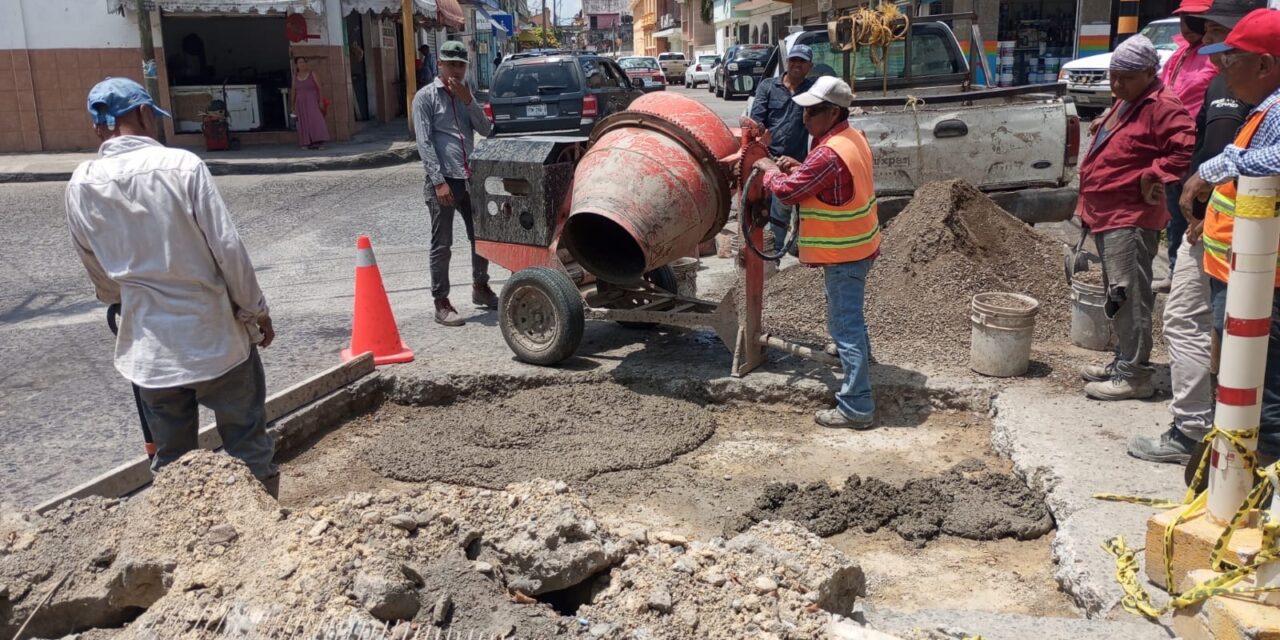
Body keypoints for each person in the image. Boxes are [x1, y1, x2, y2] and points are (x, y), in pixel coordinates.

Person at [65, 78, 278, 495]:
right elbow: (227, 249)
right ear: (145, 114)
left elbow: (95, 265)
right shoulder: (182, 166)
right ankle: (265, 536)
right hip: (214, 338)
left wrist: (123, 299)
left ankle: (179, 547)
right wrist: (255, 311)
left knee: (173, 463)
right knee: (248, 445)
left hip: (149, 351)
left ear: (97, 128)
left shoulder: (81, 183)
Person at [1129, 0, 1263, 463]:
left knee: (1203, 326)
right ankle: (1215, 436)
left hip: (1230, 241)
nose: (1212, 47)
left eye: (1223, 41)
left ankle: (1200, 436)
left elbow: (1239, 157)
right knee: (1219, 332)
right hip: (1218, 231)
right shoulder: (1230, 84)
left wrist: (1212, 179)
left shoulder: (1239, 91)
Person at [1180, 6, 1280, 462]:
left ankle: (1261, 507)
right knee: (1241, 383)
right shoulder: (1262, 108)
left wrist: (1214, 168)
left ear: (1264, 65)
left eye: (1232, 57)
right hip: (1236, 272)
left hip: (1264, 283)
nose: (1221, 67)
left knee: (1265, 398)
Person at [753, 76, 881, 429]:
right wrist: (800, 167)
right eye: (804, 111)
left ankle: (856, 405)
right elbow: (824, 180)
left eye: (812, 112)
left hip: (844, 252)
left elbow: (791, 191)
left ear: (834, 112)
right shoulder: (851, 138)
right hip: (861, 244)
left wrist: (767, 172)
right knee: (849, 315)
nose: (805, 119)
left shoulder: (827, 154)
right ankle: (859, 360)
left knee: (845, 324)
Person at [1078, 35, 1195, 401]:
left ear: (1148, 73)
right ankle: (1124, 360)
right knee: (1117, 294)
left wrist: (1154, 174)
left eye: (1125, 78)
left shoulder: (1162, 105)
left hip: (1129, 216)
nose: (1116, 85)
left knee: (1130, 296)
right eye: (1113, 77)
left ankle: (1136, 375)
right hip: (1108, 212)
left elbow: (1184, 147)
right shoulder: (1127, 102)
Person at [412, 40, 498, 326]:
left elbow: (486, 129)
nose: (457, 70)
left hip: (469, 178)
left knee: (481, 237)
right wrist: (438, 182)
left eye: (461, 65)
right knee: (443, 243)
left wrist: (468, 101)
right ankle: (441, 301)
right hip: (444, 180)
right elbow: (424, 143)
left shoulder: (466, 95)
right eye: (452, 64)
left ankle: (480, 287)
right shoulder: (425, 98)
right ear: (441, 65)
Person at [1158, 1, 1219, 290]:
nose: (1187, 24)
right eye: (1184, 17)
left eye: (1194, 18)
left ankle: (1199, 279)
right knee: (1175, 211)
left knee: (1197, 211)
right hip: (1173, 143)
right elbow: (1160, 87)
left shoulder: (1214, 57)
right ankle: (1176, 271)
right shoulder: (1180, 54)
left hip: (1201, 144)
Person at [748, 44, 816, 256]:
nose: (797, 65)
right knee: (772, 209)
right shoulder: (768, 87)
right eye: (794, 60)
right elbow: (755, 121)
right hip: (770, 158)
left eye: (802, 62)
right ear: (787, 62)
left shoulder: (813, 90)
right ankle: (772, 253)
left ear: (809, 66)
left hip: (798, 161)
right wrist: (760, 137)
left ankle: (798, 247)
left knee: (799, 208)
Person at [292, 56, 329, 150]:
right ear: (297, 65)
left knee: (316, 120)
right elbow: (294, 91)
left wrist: (320, 101)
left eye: (303, 62)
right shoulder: (295, 77)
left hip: (313, 100)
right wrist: (293, 105)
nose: (302, 64)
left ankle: (320, 142)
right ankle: (306, 143)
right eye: (300, 62)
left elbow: (320, 87)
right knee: (303, 121)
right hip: (300, 102)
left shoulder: (312, 74)